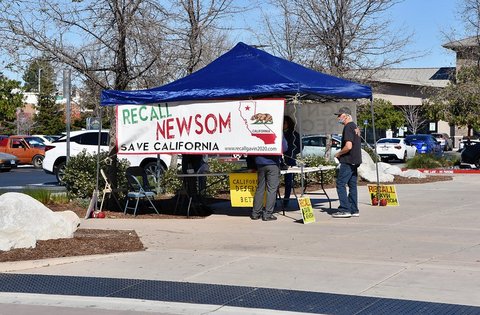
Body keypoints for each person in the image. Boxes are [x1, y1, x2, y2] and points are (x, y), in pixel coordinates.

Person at [332, 107, 362, 218]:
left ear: (347, 115)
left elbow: (348, 146)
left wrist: (338, 154)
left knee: (340, 184)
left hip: (348, 160)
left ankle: (345, 209)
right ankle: (354, 209)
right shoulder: (355, 127)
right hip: (355, 160)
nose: (338, 117)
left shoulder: (348, 127)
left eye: (340, 115)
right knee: (352, 185)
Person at [251, 136, 288, 221]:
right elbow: (285, 147)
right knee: (271, 189)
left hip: (259, 162)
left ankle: (255, 213)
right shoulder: (276, 130)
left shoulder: (258, 131)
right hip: (272, 163)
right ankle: (267, 214)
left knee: (260, 188)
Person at [282, 115, 301, 207]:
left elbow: (301, 146)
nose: (282, 125)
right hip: (279, 160)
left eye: (284, 123)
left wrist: (293, 152)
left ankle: (286, 200)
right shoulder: (278, 132)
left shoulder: (294, 133)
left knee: (288, 181)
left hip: (290, 159)